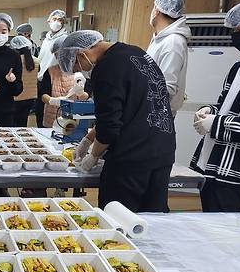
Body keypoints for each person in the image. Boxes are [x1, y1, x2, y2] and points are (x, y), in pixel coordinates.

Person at [62, 31, 176, 213]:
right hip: (162, 150)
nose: (81, 70)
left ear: (81, 54)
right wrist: (89, 139)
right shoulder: (137, 53)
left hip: (131, 158)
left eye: (77, 65)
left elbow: (110, 126)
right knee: (153, 217)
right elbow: (128, 110)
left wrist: (93, 156)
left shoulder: (106, 67)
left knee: (120, 219)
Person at [190, 0, 240, 212]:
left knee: (220, 230)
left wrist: (216, 124)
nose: (236, 34)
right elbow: (225, 103)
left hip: (233, 168)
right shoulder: (239, 66)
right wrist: (210, 111)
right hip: (210, 161)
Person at [146, 0, 190, 117]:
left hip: (158, 115)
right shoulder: (160, 38)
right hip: (150, 111)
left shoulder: (173, 42)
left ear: (157, 10)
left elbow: (166, 88)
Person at [39, 35, 89, 128]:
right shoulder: (50, 71)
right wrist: (54, 101)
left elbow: (87, 97)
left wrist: (81, 93)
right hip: (52, 118)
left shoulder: (81, 71)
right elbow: (43, 95)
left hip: (73, 120)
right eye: (59, 54)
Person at [11, 35, 38, 127]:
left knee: (12, 123)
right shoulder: (36, 61)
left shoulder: (13, 60)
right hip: (30, 97)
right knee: (23, 123)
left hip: (16, 97)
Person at [38, 10, 68, 81]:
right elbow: (42, 57)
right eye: (54, 19)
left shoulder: (64, 39)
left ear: (63, 23)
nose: (56, 22)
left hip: (56, 77)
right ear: (49, 21)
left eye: (60, 20)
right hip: (41, 75)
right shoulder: (46, 39)